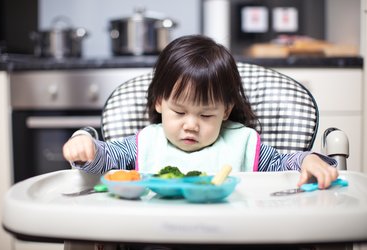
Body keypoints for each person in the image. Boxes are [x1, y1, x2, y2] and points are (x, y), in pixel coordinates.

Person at [63, 35, 338, 189]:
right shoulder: (144, 144)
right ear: (159, 102)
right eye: (179, 112)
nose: (191, 125)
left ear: (226, 111)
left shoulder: (242, 144)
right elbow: (106, 160)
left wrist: (308, 161)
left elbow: (282, 164)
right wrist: (87, 148)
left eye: (206, 115)